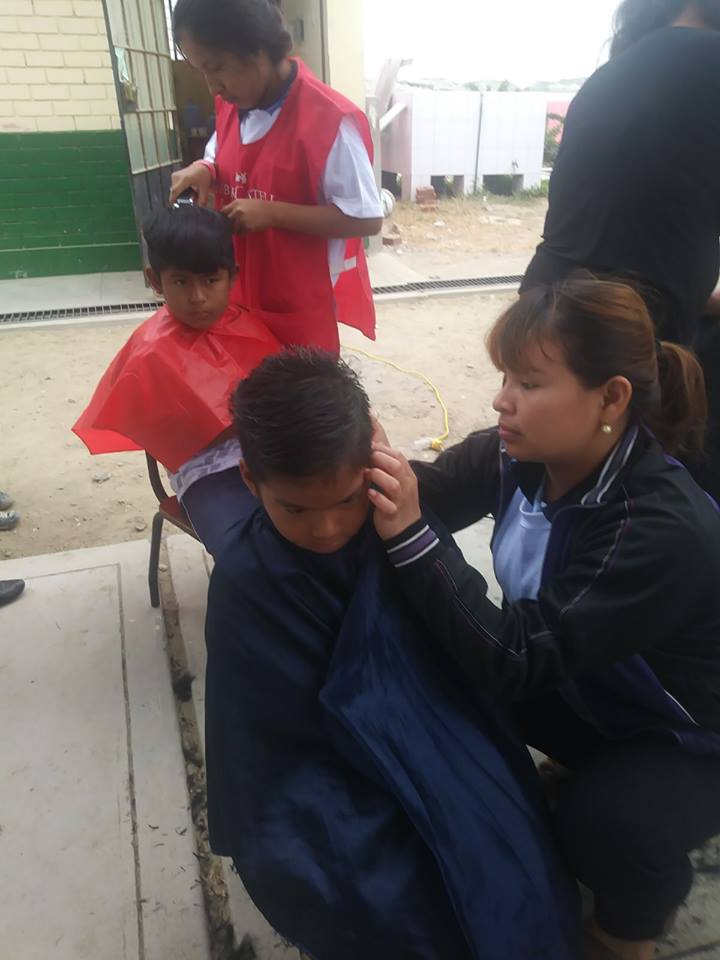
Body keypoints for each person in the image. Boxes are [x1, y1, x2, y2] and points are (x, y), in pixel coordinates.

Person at [368, 279, 720, 960]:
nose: (502, 400)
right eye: (505, 377)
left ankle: (631, 925)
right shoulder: (522, 457)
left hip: (691, 732)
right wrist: (364, 468)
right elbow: (428, 495)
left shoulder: (654, 528)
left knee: (605, 827)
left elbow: (517, 657)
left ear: (610, 398)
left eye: (529, 382)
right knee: (438, 668)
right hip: (599, 689)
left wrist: (409, 532)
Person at [204, 348, 581, 960]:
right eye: (295, 509)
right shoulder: (247, 582)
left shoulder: (393, 517)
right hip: (318, 780)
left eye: (345, 500)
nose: (327, 529)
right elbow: (265, 748)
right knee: (378, 897)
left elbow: (461, 641)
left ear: (375, 457)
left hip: (434, 737)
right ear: (251, 480)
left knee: (505, 860)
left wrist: (411, 533)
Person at [522, 0, 720, 498]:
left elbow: (639, 228)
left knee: (551, 490)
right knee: (640, 505)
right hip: (628, 332)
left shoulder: (612, 75)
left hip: (548, 315)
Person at [168, 0, 382, 354]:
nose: (212, 87)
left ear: (257, 48)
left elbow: (367, 218)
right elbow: (221, 152)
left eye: (216, 67)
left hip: (296, 311)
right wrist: (205, 168)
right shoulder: (233, 105)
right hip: (236, 299)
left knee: (297, 389)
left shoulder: (328, 120)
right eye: (201, 71)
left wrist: (273, 214)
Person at [73, 205, 281, 557]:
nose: (197, 297)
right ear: (156, 281)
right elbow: (169, 439)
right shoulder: (150, 351)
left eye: (211, 281)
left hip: (273, 451)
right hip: (207, 472)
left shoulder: (246, 325)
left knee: (326, 513)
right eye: (181, 282)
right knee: (243, 551)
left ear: (232, 276)